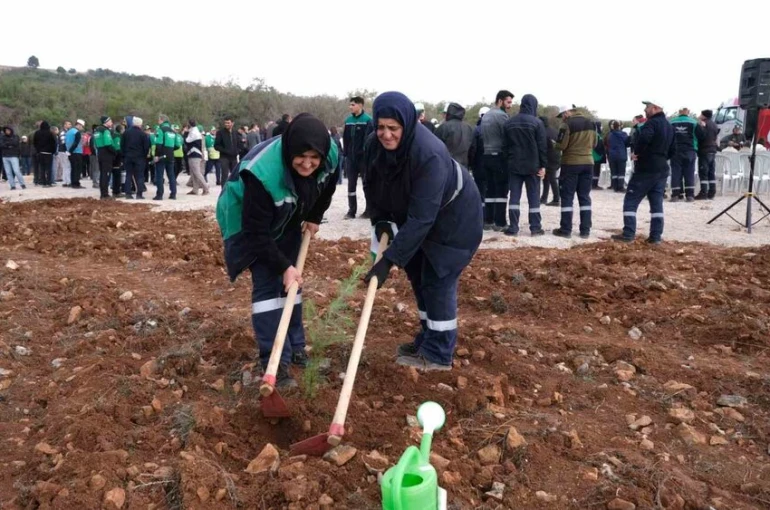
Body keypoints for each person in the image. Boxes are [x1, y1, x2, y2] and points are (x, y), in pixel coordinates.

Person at [216, 114, 340, 388]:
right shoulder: (263, 175)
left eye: (314, 158)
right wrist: (284, 266)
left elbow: (328, 184)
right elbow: (256, 234)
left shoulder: (330, 153)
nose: (308, 164)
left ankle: (296, 349)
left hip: (287, 214)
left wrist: (315, 215)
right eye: (301, 157)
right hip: (246, 219)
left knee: (292, 286)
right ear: (289, 150)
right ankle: (275, 363)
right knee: (268, 288)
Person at [362, 91, 483, 371]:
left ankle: (439, 353)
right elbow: (371, 182)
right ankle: (429, 337)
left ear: (407, 124)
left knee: (437, 277)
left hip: (455, 219)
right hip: (419, 216)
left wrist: (388, 261)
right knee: (417, 274)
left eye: (393, 128)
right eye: (380, 127)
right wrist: (379, 219)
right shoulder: (373, 145)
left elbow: (422, 218)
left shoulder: (428, 154)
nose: (386, 134)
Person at [612, 100, 675, 244]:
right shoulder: (669, 126)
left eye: (647, 107)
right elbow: (673, 149)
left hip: (646, 168)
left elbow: (644, 138)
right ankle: (655, 237)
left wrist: (637, 153)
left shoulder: (651, 124)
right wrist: (661, 157)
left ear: (655, 108)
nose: (645, 110)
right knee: (656, 204)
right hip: (662, 169)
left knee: (630, 201)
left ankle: (628, 234)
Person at [501, 94, 546, 236]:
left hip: (514, 165)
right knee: (533, 197)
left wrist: (507, 162)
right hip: (533, 166)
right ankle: (535, 227)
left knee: (514, 197)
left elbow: (505, 146)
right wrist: (543, 166)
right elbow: (542, 146)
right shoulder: (537, 123)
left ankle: (513, 228)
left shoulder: (509, 123)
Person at [553, 104, 596, 239]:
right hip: (588, 163)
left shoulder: (566, 125)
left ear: (566, 112)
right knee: (584, 197)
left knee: (567, 197)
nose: (562, 118)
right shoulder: (591, 123)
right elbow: (595, 144)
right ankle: (585, 230)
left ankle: (566, 229)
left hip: (570, 163)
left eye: (562, 115)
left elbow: (561, 145)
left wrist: (554, 144)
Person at [480, 90, 514, 230]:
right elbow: (507, 137)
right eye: (508, 102)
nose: (510, 105)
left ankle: (488, 220)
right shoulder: (502, 117)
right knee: (501, 190)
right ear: (500, 101)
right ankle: (500, 222)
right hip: (499, 156)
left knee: (490, 190)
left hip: (486, 156)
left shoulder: (486, 116)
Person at [342, 96, 374, 219]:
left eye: (353, 105)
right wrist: (346, 154)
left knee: (366, 184)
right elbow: (345, 138)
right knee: (351, 185)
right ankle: (351, 211)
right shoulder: (348, 120)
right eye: (350, 105)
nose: (350, 107)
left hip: (363, 159)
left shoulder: (368, 120)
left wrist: (365, 155)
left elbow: (369, 140)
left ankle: (369, 210)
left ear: (360, 105)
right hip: (350, 158)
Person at [669, 108, 698, 201]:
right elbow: (699, 136)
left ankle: (675, 195)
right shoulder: (694, 122)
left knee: (676, 172)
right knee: (689, 172)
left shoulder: (671, 122)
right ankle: (690, 195)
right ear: (688, 112)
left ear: (679, 112)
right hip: (690, 150)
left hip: (675, 150)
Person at [434, 102, 474, 167]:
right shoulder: (469, 128)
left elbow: (434, 148)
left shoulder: (443, 127)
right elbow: (472, 149)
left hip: (446, 166)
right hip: (463, 167)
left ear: (448, 113)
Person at [122, 116, 150, 199]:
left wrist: (124, 155)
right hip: (139, 157)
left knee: (128, 174)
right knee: (140, 175)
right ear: (140, 124)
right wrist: (144, 156)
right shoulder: (143, 134)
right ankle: (139, 194)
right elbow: (146, 147)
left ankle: (128, 193)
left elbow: (122, 145)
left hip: (128, 156)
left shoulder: (126, 133)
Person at [694, 109, 719, 200]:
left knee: (703, 172)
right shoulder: (714, 124)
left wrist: (700, 127)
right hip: (713, 150)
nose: (700, 115)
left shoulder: (702, 124)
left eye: (701, 114)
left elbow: (700, 136)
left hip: (704, 150)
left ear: (704, 116)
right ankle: (712, 192)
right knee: (711, 172)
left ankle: (703, 192)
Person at [153, 114, 179, 200]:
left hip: (161, 155)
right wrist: (170, 151)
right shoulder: (173, 131)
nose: (158, 121)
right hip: (170, 155)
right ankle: (173, 194)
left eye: (159, 120)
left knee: (160, 175)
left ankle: (159, 195)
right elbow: (177, 145)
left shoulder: (161, 130)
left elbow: (158, 144)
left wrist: (156, 155)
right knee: (171, 175)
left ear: (162, 120)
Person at [539, 115, 561, 205]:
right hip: (556, 156)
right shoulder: (555, 131)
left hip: (548, 157)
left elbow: (542, 147)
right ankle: (544, 197)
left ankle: (556, 199)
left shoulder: (542, 132)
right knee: (548, 178)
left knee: (550, 178)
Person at [185, 119, 209, 195]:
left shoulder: (194, 132)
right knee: (193, 173)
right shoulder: (193, 131)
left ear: (189, 124)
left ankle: (206, 188)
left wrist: (185, 133)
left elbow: (187, 140)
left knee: (197, 172)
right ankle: (195, 189)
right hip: (192, 154)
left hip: (195, 154)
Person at [94, 116, 116, 199]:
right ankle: (105, 194)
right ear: (106, 122)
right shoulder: (105, 130)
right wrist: (114, 152)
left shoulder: (96, 130)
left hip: (100, 152)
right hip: (106, 154)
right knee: (106, 174)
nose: (112, 123)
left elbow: (95, 143)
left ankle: (102, 193)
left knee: (102, 173)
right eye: (110, 121)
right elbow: (108, 143)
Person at [215, 116, 239, 185]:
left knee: (235, 175)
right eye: (225, 123)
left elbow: (238, 143)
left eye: (228, 123)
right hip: (224, 157)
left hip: (234, 157)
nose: (226, 124)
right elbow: (216, 146)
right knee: (224, 175)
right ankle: (224, 192)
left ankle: (234, 191)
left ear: (232, 123)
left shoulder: (235, 132)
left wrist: (237, 151)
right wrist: (226, 151)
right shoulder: (220, 133)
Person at [606, 120, 629, 192]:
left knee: (614, 172)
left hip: (612, 155)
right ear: (620, 126)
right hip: (621, 154)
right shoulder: (623, 134)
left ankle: (615, 187)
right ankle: (620, 187)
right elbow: (627, 143)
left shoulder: (610, 134)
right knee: (621, 172)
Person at [33, 121, 57, 187]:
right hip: (49, 153)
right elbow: (53, 143)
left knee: (42, 168)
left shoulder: (37, 133)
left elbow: (35, 143)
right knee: (49, 168)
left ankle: (43, 182)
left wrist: (38, 150)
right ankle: (49, 182)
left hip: (40, 153)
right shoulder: (50, 133)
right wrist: (53, 151)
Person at [65, 119, 85, 189]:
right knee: (77, 169)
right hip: (77, 152)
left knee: (73, 168)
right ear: (79, 125)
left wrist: (68, 151)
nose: (82, 128)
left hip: (70, 153)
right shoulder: (77, 133)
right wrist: (70, 151)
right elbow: (75, 143)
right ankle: (76, 183)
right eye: (82, 126)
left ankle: (73, 182)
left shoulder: (68, 132)